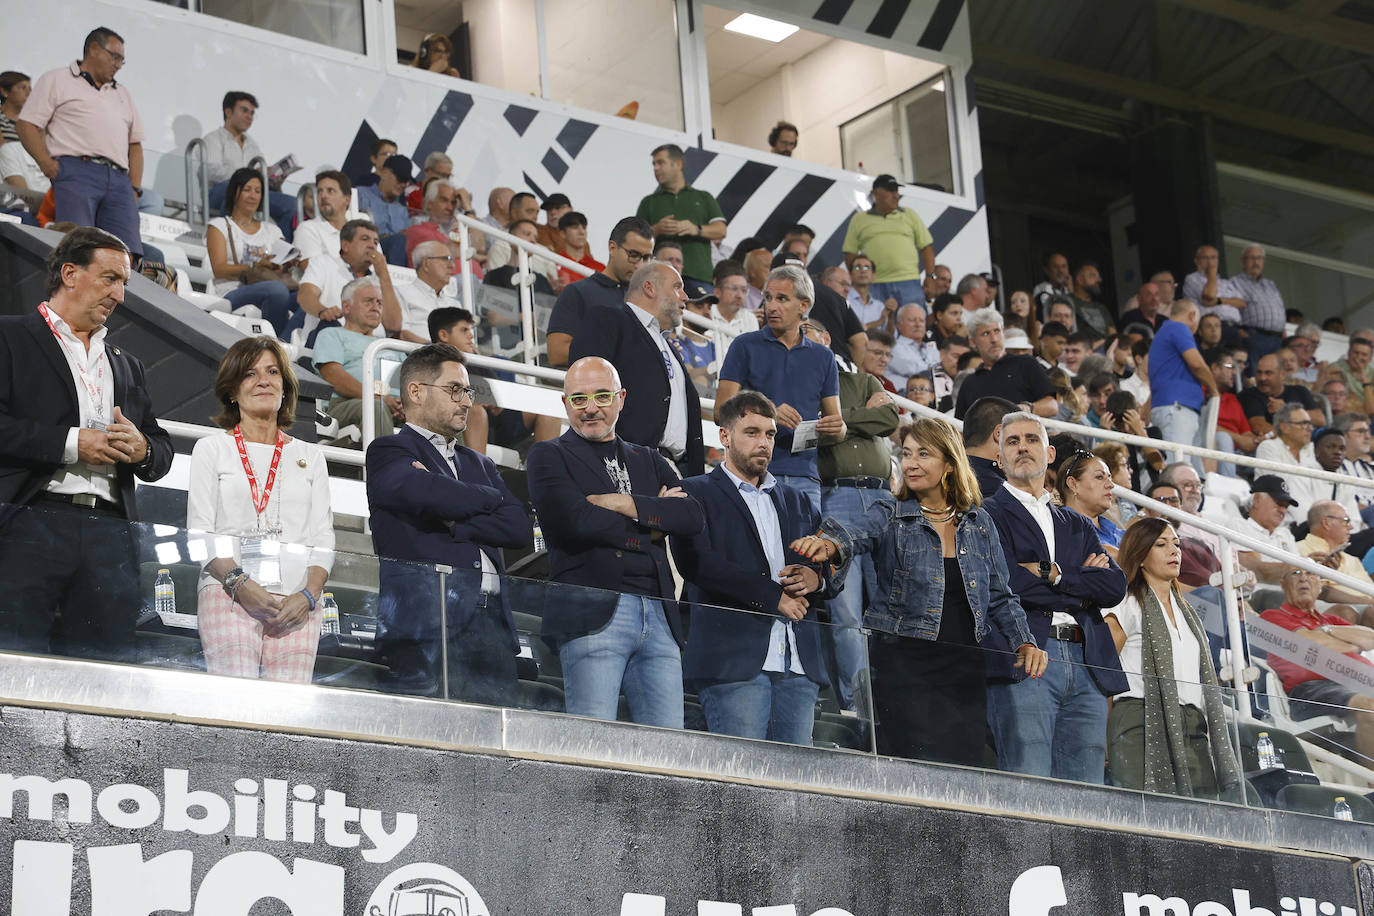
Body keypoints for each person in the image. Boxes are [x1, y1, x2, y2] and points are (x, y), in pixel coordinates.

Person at [792, 415, 1047, 763]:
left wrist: (1024, 640)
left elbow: (1001, 595)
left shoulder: (979, 521)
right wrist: (831, 545)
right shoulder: (890, 511)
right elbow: (857, 533)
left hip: (965, 668)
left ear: (948, 463)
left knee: (961, 773)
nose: (910, 463)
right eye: (907, 453)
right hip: (903, 665)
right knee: (912, 770)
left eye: (923, 454)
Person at [0, 227, 172, 661]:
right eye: (110, 278)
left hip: (111, 535)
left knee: (105, 667)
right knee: (17, 659)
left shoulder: (127, 365)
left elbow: (161, 447)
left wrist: (142, 449)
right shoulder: (9, 337)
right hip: (29, 520)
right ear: (70, 273)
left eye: (124, 284)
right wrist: (74, 444)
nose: (120, 294)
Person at [527, 357, 704, 725]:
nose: (591, 408)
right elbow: (573, 523)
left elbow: (691, 517)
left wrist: (621, 504)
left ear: (621, 398)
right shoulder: (548, 455)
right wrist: (654, 525)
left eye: (602, 396)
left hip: (659, 613)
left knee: (667, 753)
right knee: (594, 745)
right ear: (565, 404)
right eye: (579, 399)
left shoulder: (649, 459)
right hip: (591, 612)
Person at [664, 390, 837, 743]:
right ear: (724, 436)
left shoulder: (798, 499)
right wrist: (772, 597)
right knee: (741, 787)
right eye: (752, 432)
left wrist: (816, 580)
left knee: (797, 790)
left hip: (798, 667)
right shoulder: (694, 491)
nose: (764, 443)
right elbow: (698, 563)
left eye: (770, 434)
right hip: (733, 665)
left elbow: (830, 562)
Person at [366, 343, 528, 699]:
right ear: (416, 391)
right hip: (427, 627)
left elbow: (518, 527)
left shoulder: (480, 463)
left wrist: (458, 522)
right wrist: (491, 498)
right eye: (455, 389)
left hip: (492, 631)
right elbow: (429, 494)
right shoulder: (388, 451)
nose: (467, 401)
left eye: (467, 391)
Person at [982, 412, 1128, 783]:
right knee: (1029, 783)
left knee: (1087, 790)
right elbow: (1007, 583)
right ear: (998, 458)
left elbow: (1113, 588)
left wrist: (1053, 573)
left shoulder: (1075, 522)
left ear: (1049, 454)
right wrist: (1081, 587)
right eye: (1012, 441)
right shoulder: (986, 514)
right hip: (1026, 653)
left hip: (1087, 660)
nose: (1022, 448)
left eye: (1031, 439)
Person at [186, 337, 332, 682]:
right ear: (232, 391)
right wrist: (240, 584)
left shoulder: (311, 456)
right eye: (250, 374)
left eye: (272, 372)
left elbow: (322, 536)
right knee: (236, 705)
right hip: (229, 592)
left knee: (288, 714)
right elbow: (200, 531)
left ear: (285, 388)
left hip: (297, 603)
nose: (263, 380)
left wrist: (309, 595)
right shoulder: (211, 449)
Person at [1101, 518, 1244, 799]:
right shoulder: (1126, 602)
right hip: (1139, 721)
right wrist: (1103, 739)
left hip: (1192, 726)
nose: (1174, 551)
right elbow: (1103, 670)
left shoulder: (1189, 613)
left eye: (1177, 544)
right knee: (1147, 813)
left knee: (1202, 819)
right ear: (1140, 555)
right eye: (1161, 544)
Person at [812, 326, 900, 711]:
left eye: (808, 337)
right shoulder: (801, 388)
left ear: (827, 340)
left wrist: (841, 422)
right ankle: (856, 704)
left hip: (882, 497)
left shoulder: (862, 379)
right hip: (836, 497)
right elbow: (811, 432)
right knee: (845, 611)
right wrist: (862, 415)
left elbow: (890, 417)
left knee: (893, 602)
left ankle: (892, 699)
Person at [715, 264, 845, 510]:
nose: (771, 306)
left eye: (782, 299)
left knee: (803, 549)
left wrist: (838, 427)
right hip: (750, 471)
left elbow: (837, 427)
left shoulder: (823, 357)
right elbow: (720, 411)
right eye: (768, 298)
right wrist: (769, 412)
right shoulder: (744, 345)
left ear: (803, 306)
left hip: (804, 476)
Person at [17, 28, 148, 257]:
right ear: (94, 49)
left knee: (125, 253)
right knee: (78, 249)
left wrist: (134, 188)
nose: (118, 65)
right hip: (76, 171)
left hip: (119, 180)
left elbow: (135, 145)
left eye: (122, 60)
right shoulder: (57, 79)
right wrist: (46, 164)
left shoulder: (122, 93)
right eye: (115, 57)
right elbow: (26, 123)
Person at [569, 261, 704, 477]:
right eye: (677, 287)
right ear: (650, 288)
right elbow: (587, 389)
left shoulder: (669, 346)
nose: (685, 297)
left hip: (676, 471)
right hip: (627, 465)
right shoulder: (608, 320)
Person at [1260, 568, 1374, 761]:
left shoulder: (1331, 621)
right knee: (1369, 706)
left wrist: (1326, 630)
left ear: (1321, 586)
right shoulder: (1272, 617)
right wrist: (1349, 643)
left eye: (1310, 573)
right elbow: (1309, 644)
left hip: (1361, 681)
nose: (1304, 577)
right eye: (1295, 573)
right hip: (1313, 689)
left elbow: (1370, 638)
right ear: (1283, 584)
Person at [546, 216, 654, 368]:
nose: (640, 265)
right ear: (612, 248)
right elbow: (557, 353)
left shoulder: (649, 300)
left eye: (647, 258)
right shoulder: (578, 292)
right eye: (634, 255)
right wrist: (620, 350)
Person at [205, 167, 296, 338]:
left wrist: (289, 261)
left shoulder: (273, 230)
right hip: (232, 290)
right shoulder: (219, 226)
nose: (253, 196)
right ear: (235, 192)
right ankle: (273, 343)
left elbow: (279, 265)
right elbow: (219, 269)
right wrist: (253, 266)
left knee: (305, 298)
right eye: (247, 190)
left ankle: (285, 342)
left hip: (269, 285)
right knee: (277, 290)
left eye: (258, 191)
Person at [313, 277, 405, 441]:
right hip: (347, 403)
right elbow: (333, 376)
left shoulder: (390, 345)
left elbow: (410, 379)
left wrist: (407, 404)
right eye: (368, 302)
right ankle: (384, 466)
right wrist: (379, 398)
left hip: (397, 406)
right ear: (347, 307)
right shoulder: (331, 335)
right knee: (376, 407)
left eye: (379, 303)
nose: (375, 307)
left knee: (448, 412)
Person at [202, 91, 296, 239]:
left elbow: (259, 177)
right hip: (219, 192)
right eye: (244, 111)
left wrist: (274, 182)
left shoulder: (252, 145)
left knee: (293, 205)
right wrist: (248, 175)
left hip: (249, 190)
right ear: (228, 112)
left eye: (252, 113)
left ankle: (282, 254)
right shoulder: (213, 139)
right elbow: (211, 172)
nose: (249, 117)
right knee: (235, 188)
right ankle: (230, 242)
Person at [295, 217, 401, 342]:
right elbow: (305, 296)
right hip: (329, 342)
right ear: (345, 245)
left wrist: (384, 274)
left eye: (376, 242)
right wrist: (323, 311)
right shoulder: (323, 262)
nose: (372, 246)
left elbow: (394, 325)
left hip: (372, 349)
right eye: (365, 239)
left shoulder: (381, 279)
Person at [635, 144, 726, 288]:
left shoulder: (703, 197)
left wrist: (696, 229)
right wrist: (657, 230)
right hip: (659, 278)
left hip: (699, 277)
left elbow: (721, 230)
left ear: (678, 164)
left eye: (660, 162)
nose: (656, 168)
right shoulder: (649, 202)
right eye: (654, 164)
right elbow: (636, 240)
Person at [842, 174, 935, 308]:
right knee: (876, 328)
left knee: (914, 325)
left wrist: (930, 278)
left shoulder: (909, 215)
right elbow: (850, 253)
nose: (896, 195)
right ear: (876, 193)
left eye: (896, 191)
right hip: (873, 285)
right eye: (890, 191)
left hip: (909, 282)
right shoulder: (859, 219)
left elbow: (927, 248)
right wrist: (860, 282)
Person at [1148, 299, 1218, 467]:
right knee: (1178, 470)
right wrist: (1214, 390)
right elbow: (1197, 365)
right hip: (1177, 410)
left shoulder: (1163, 333)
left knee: (1194, 475)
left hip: (1179, 409)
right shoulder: (1177, 327)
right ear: (1193, 315)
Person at [953, 308, 1057, 420]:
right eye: (986, 333)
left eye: (997, 331)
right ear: (972, 342)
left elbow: (1052, 406)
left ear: (1003, 333)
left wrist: (1027, 408)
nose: (994, 339)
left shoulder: (1025, 364)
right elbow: (960, 427)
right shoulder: (969, 383)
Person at [1236, 475, 1300, 585]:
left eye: (1286, 506)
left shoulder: (1286, 534)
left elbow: (1297, 574)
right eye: (1279, 503)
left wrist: (1316, 568)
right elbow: (1259, 571)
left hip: (1289, 595)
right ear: (1257, 500)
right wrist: (1305, 566)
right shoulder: (1238, 526)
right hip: (1258, 595)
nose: (1282, 510)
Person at [1241, 353, 1322, 436]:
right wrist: (1291, 440)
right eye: (1259, 373)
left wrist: (1286, 410)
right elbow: (1259, 426)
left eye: (1268, 373)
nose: (1262, 378)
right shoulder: (1249, 395)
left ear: (1282, 375)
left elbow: (1320, 420)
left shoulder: (1300, 391)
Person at [1230, 245, 1286, 365]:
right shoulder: (1235, 283)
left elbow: (1280, 308)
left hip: (1276, 340)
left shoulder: (1270, 284)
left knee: (1274, 376)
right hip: (1254, 337)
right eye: (1252, 258)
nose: (1256, 262)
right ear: (1243, 261)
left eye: (1259, 258)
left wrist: (1283, 329)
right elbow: (1229, 311)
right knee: (1255, 377)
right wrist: (1238, 331)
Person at [1059, 450, 1123, 554]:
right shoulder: (1060, 527)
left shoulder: (1113, 529)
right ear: (1073, 484)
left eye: (1109, 477)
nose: (1110, 485)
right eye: (1099, 477)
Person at [397, 240, 460, 343]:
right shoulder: (402, 293)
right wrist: (435, 350)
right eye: (446, 259)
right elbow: (401, 333)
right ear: (426, 264)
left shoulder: (455, 305)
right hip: (420, 356)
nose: (452, 266)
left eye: (452, 260)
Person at [355, 154, 413, 265]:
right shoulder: (360, 194)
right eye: (400, 179)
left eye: (407, 181)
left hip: (396, 253)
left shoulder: (402, 210)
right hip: (368, 247)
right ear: (384, 173)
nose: (403, 185)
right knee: (399, 241)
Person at [708, 259, 759, 369]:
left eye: (744, 290)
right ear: (717, 291)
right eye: (734, 289)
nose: (739, 296)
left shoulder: (750, 318)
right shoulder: (706, 313)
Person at [293, 170, 351, 265]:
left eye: (330, 191)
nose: (323, 196)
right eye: (320, 191)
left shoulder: (362, 231)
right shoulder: (308, 229)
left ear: (347, 199)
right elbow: (312, 272)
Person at [1182, 244, 1244, 333]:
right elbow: (1209, 297)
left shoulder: (1225, 282)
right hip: (1209, 327)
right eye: (1205, 258)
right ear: (1196, 261)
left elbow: (1241, 303)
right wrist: (1212, 272)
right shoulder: (1192, 278)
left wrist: (1219, 301)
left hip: (1234, 326)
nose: (1210, 262)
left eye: (1213, 258)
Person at [962, 396, 1015, 497]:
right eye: (1016, 439)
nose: (1022, 447)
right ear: (999, 434)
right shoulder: (999, 490)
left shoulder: (941, 474)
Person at [403, 178, 461, 270]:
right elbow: (440, 257)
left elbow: (480, 247)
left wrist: (468, 207)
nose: (450, 207)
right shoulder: (418, 231)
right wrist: (471, 254)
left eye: (453, 203)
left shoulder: (458, 229)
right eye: (444, 200)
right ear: (430, 204)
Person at [886, 303, 936, 389]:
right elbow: (913, 370)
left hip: (928, 396)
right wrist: (935, 369)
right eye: (912, 320)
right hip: (902, 397)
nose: (918, 324)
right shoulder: (893, 347)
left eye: (921, 320)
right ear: (899, 325)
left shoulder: (931, 349)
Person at [1324, 334, 1374, 417]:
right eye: (1356, 353)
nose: (1358, 357)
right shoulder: (1334, 370)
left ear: (1370, 358)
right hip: (1345, 418)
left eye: (1364, 354)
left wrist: (1365, 379)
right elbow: (1370, 410)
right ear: (1349, 353)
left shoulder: (1372, 373)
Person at [1070, 261, 1116, 347]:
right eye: (1093, 276)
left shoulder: (1101, 308)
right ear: (1080, 280)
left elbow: (1113, 336)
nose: (1099, 280)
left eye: (1098, 276)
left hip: (1107, 351)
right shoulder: (1068, 302)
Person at [555, 210, 604, 287]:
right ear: (563, 234)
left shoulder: (600, 268)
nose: (581, 232)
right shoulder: (554, 263)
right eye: (575, 227)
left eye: (584, 228)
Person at [846, 254, 887, 330]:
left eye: (866, 267)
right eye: (858, 267)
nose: (863, 271)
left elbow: (891, 337)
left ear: (873, 276)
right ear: (850, 275)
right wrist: (877, 323)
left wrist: (890, 318)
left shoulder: (880, 307)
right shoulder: (844, 300)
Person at [1032, 251, 1072, 317]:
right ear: (1047, 270)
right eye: (1056, 267)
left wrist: (1071, 292)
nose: (1060, 270)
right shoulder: (1041, 288)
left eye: (1064, 266)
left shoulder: (1071, 289)